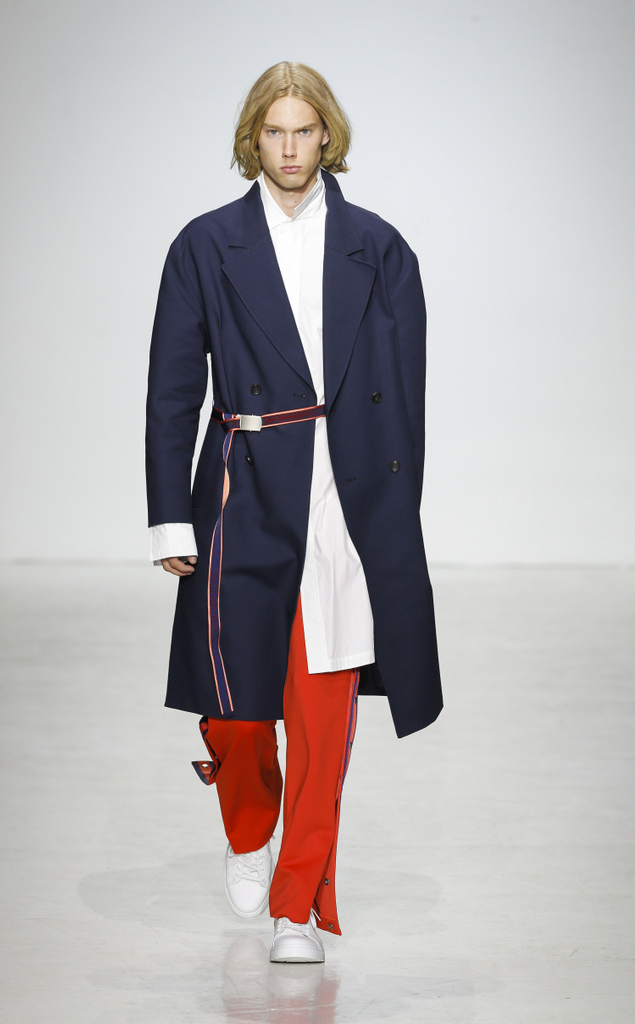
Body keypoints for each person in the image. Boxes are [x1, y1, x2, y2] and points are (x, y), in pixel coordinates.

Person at [145, 61, 442, 964]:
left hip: (341, 500)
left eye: (302, 130)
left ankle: (297, 907)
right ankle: (248, 831)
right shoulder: (205, 244)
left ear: (326, 136)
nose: (287, 147)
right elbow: (171, 391)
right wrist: (169, 516)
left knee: (320, 714)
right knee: (235, 711)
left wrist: (391, 518)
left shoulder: (379, 248)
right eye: (272, 131)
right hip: (242, 487)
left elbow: (404, 397)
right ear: (252, 139)